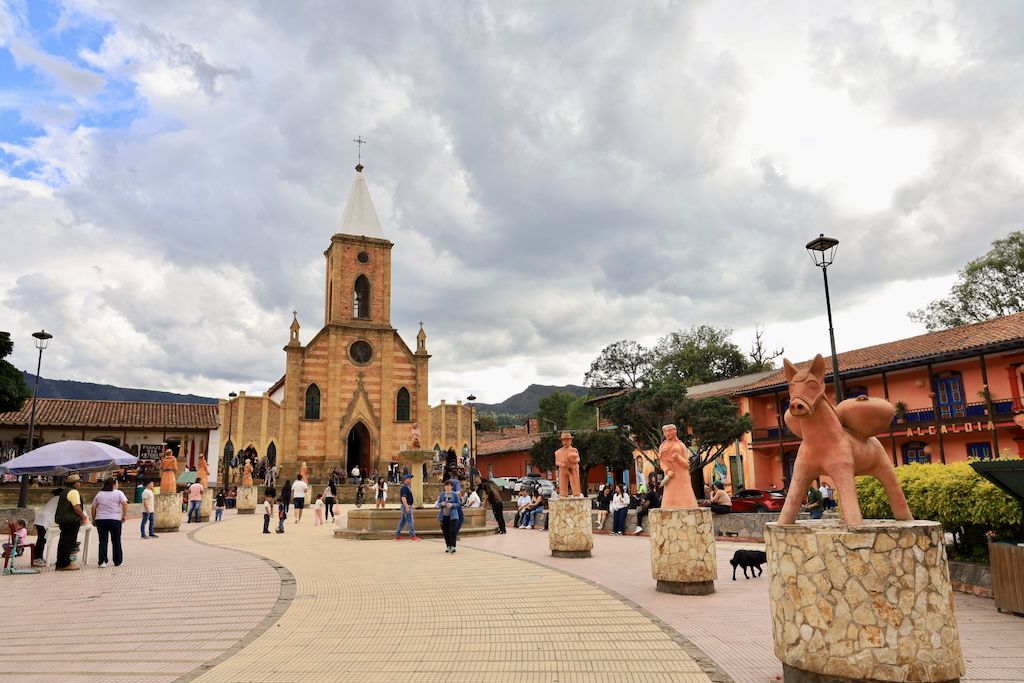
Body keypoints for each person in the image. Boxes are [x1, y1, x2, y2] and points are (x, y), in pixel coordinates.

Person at [91, 477, 128, 568]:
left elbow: (93, 507)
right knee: (116, 541)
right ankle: (117, 561)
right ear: (114, 484)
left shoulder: (99, 494)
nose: (118, 485)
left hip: (101, 520)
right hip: (115, 519)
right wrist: (124, 515)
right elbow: (125, 503)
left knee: (103, 541)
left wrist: (94, 519)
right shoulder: (119, 493)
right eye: (117, 483)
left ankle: (102, 561)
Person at [55, 474, 89, 571]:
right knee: (69, 542)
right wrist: (83, 516)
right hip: (71, 521)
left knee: (63, 542)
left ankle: (60, 562)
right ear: (75, 483)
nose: (80, 483)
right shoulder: (73, 492)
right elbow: (76, 507)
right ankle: (65, 564)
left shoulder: (64, 491)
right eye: (79, 482)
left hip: (63, 520)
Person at [32, 488, 60, 566]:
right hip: (43, 521)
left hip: (41, 520)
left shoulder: (54, 498)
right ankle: (36, 558)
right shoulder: (59, 499)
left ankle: (39, 557)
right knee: (41, 540)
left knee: (41, 540)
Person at [436, 480, 463, 553]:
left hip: (453, 516)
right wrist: (442, 504)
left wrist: (452, 505)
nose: (448, 487)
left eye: (449, 486)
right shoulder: (442, 495)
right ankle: (448, 546)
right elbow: (438, 504)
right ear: (444, 487)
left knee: (452, 531)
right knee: (445, 532)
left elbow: (459, 504)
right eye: (446, 486)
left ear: (451, 487)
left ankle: (453, 546)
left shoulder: (454, 494)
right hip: (444, 516)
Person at [394, 473, 419, 540]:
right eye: (409, 478)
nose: (410, 480)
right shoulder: (404, 488)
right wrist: (407, 506)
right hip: (406, 506)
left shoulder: (407, 487)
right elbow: (403, 498)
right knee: (410, 520)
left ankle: (397, 534)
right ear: (405, 479)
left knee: (403, 521)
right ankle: (413, 535)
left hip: (406, 506)